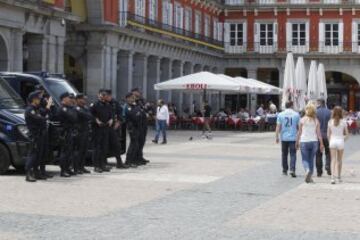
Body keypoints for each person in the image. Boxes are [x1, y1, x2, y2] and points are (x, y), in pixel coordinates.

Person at [24, 91, 50, 182]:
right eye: (38, 98)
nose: (40, 100)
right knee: (33, 155)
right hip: (34, 136)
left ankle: (36, 173)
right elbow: (39, 119)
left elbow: (44, 113)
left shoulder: (36, 109)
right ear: (33, 99)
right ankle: (28, 174)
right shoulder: (30, 109)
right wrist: (45, 118)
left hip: (39, 135)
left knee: (38, 155)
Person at [296, 103, 324, 183]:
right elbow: (319, 134)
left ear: (306, 110)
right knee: (311, 159)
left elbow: (299, 132)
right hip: (314, 142)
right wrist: (321, 144)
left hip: (304, 141)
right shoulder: (316, 121)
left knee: (305, 159)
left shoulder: (302, 120)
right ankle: (310, 177)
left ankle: (307, 170)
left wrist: (296, 141)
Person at [105, 89, 129, 169]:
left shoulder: (115, 103)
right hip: (104, 127)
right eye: (106, 96)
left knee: (117, 145)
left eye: (109, 95)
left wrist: (118, 122)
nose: (108, 97)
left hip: (114, 128)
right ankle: (103, 163)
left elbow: (120, 113)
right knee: (105, 145)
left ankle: (119, 163)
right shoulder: (102, 103)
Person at [275, 101, 300, 177]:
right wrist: (299, 138)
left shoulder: (280, 114)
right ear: (292, 105)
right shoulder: (296, 114)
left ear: (285, 106)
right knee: (293, 154)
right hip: (293, 137)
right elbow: (299, 127)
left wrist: (277, 136)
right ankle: (292, 169)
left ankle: (284, 170)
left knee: (284, 154)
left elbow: (278, 127)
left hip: (284, 137)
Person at [56, 92, 78, 177]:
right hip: (64, 133)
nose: (71, 100)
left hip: (69, 132)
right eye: (68, 98)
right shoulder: (62, 108)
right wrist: (73, 109)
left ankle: (67, 168)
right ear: (64, 99)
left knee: (69, 152)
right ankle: (63, 170)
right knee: (64, 152)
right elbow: (73, 118)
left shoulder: (69, 108)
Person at [90, 89, 113, 173]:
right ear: (99, 95)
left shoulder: (107, 105)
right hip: (97, 128)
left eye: (105, 95)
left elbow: (111, 115)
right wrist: (96, 120)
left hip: (106, 128)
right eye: (102, 95)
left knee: (104, 147)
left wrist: (111, 119)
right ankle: (96, 166)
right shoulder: (94, 105)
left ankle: (103, 164)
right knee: (97, 148)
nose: (103, 96)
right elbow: (90, 115)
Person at [328, 106, 349, 184]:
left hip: (332, 141)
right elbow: (347, 134)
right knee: (339, 160)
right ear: (341, 113)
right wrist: (343, 140)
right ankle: (339, 177)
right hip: (340, 141)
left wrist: (330, 141)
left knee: (333, 160)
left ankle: (332, 178)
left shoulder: (330, 121)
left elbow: (328, 134)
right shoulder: (343, 122)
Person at [74, 93, 92, 174]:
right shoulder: (76, 108)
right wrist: (86, 115)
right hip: (79, 131)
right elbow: (85, 115)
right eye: (83, 99)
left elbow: (90, 116)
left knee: (84, 150)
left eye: (85, 99)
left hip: (85, 131)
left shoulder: (84, 108)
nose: (84, 101)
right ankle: (76, 167)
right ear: (77, 100)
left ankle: (81, 166)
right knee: (79, 151)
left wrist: (86, 115)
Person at [131, 88, 149, 165]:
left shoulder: (141, 100)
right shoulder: (132, 101)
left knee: (142, 141)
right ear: (133, 92)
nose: (139, 93)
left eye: (139, 92)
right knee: (136, 142)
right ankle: (134, 158)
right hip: (136, 124)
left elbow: (145, 109)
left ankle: (140, 157)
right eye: (137, 92)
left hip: (143, 123)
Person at [316, 99, 332, 177]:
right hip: (328, 135)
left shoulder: (316, 112)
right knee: (328, 152)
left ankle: (319, 172)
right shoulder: (329, 112)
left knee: (318, 154)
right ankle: (328, 166)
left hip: (318, 136)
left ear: (319, 103)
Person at [124, 93, 141, 168]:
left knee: (135, 144)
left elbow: (139, 113)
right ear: (127, 98)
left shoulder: (134, 106)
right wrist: (137, 113)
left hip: (136, 126)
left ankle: (131, 161)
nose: (133, 99)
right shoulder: (127, 106)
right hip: (132, 127)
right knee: (133, 144)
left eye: (134, 98)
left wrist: (137, 113)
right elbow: (132, 115)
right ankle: (128, 161)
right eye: (131, 98)